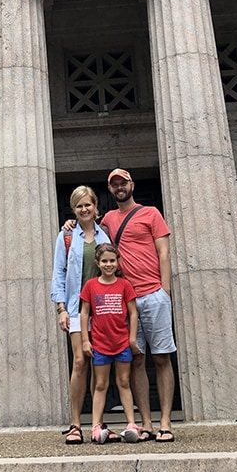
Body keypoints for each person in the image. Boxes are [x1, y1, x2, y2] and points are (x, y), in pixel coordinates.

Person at [100, 168, 176, 443]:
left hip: (154, 294)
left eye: (123, 183)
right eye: (115, 185)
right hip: (127, 300)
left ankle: (166, 422)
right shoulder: (108, 219)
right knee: (136, 360)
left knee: (162, 357)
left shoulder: (151, 213)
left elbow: (164, 251)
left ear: (132, 185)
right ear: (111, 190)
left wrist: (164, 290)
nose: (119, 187)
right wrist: (68, 225)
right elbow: (90, 231)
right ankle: (145, 423)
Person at [49, 185, 111, 445]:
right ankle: (75, 423)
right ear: (73, 210)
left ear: (96, 207)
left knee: (100, 363)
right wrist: (61, 308)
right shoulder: (66, 236)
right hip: (75, 308)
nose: (84, 209)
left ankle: (97, 422)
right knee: (79, 362)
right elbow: (59, 273)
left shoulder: (105, 235)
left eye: (88, 204)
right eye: (79, 206)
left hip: (103, 307)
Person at [80, 243, 141, 444]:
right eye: (104, 261)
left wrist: (132, 339)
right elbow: (85, 313)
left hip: (122, 342)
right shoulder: (91, 285)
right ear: (97, 263)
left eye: (112, 260)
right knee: (100, 384)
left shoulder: (124, 285)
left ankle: (131, 423)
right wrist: (85, 340)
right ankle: (96, 425)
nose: (108, 264)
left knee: (123, 382)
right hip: (100, 344)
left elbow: (133, 313)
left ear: (118, 262)